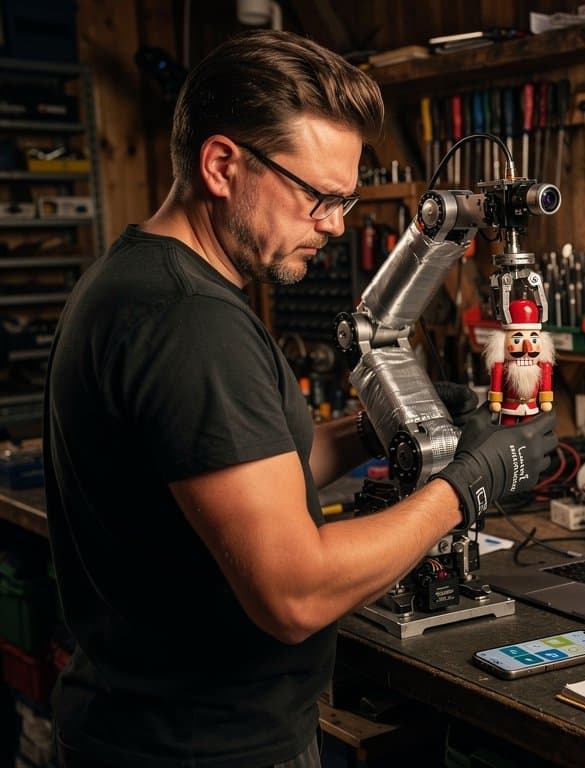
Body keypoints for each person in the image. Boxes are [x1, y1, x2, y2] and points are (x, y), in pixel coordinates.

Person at [43, 29, 557, 768]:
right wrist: (468, 482)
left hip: (138, 727)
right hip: (205, 749)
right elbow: (296, 594)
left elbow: (232, 472)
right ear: (222, 164)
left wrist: (370, 430)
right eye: (319, 196)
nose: (335, 225)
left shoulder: (134, 279)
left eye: (345, 201)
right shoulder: (193, 323)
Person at [485, 299, 555, 424]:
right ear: (502, 342)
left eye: (534, 340)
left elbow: (546, 383)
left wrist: (545, 399)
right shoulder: (501, 366)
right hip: (509, 407)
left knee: (529, 431)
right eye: (517, 341)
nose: (526, 348)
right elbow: (496, 381)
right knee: (506, 431)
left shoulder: (543, 365)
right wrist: (495, 400)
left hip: (531, 407)